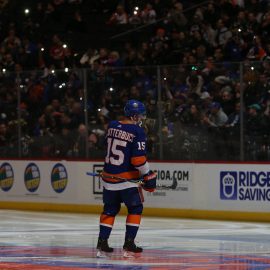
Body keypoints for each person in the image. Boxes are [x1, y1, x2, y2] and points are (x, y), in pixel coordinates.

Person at [96, 99, 157, 258]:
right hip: (126, 180)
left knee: (109, 210)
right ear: (135, 116)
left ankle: (102, 242)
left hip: (108, 178)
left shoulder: (112, 125)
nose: (142, 118)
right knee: (136, 209)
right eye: (141, 115)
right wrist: (148, 174)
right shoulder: (138, 131)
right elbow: (137, 161)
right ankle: (129, 242)